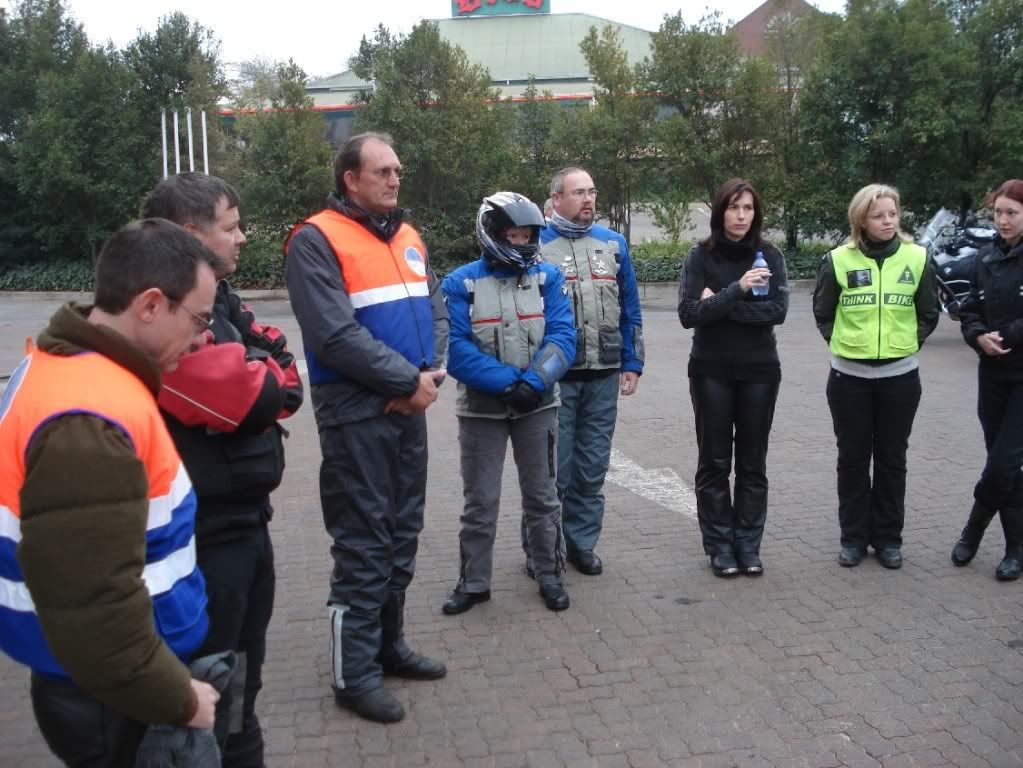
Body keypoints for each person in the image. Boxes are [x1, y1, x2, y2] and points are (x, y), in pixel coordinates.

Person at [0, 219, 221, 766]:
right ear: (149, 304)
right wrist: (178, 699)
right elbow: (96, 610)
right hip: (111, 693)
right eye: (197, 318)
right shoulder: (89, 418)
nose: (202, 338)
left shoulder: (68, 369)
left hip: (101, 680)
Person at [285, 131, 449, 724]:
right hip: (357, 415)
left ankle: (388, 645)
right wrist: (407, 382)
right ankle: (353, 674)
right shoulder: (314, 240)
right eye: (382, 171)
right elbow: (332, 335)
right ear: (349, 178)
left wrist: (431, 372)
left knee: (402, 532)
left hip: (408, 407)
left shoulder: (406, 234)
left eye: (398, 170)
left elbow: (434, 306)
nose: (394, 179)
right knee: (363, 542)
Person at [141, 173, 304, 767]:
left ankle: (238, 751)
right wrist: (265, 370)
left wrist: (264, 367)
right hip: (206, 539)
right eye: (231, 226)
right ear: (191, 234)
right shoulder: (165, 314)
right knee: (213, 685)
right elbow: (261, 395)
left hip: (244, 524)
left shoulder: (220, 302)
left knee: (241, 684)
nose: (242, 238)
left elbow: (281, 363)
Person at [441, 192, 575, 615]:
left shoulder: (548, 278)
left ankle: (549, 575)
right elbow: (456, 350)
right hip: (482, 410)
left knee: (542, 497)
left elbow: (563, 338)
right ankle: (475, 582)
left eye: (526, 235)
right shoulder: (459, 283)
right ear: (492, 233)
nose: (520, 242)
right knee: (480, 502)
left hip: (538, 405)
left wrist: (535, 382)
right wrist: (508, 384)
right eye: (511, 235)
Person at [813, 183, 939, 569]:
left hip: (900, 378)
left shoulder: (917, 258)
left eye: (893, 214)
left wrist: (907, 344)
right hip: (849, 378)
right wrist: (846, 344)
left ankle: (887, 539)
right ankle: (853, 538)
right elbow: (824, 312)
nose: (887, 221)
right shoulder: (837, 260)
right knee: (852, 459)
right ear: (860, 220)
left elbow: (929, 313)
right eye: (878, 215)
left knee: (892, 459)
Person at [677, 179, 789, 577]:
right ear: (720, 211)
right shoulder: (701, 256)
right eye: (733, 208)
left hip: (760, 370)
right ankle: (720, 545)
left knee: (753, 463)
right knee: (714, 461)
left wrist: (719, 302)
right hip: (711, 370)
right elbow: (689, 314)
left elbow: (777, 312)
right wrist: (739, 288)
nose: (741, 216)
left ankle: (747, 545)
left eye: (748, 209)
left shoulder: (770, 256)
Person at [538, 166, 644, 576]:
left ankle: (581, 544)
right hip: (556, 379)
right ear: (556, 200)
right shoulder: (536, 246)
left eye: (592, 192)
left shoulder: (613, 244)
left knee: (591, 467)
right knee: (552, 472)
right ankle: (544, 549)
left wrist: (633, 363)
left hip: (603, 374)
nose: (588, 199)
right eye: (578, 192)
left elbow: (630, 309)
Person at [953, 179, 1023, 581]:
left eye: (1012, 212)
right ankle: (1016, 548)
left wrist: (1008, 336)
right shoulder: (984, 258)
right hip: (992, 373)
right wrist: (977, 335)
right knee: (1004, 465)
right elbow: (970, 307)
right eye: (998, 212)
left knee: (1003, 463)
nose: (1003, 220)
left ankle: (974, 528)